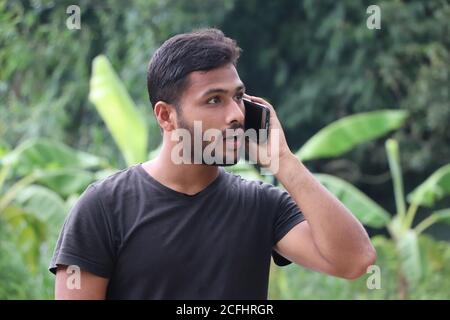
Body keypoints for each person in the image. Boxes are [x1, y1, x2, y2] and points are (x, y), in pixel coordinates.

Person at [50, 28, 376, 299]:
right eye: (214, 100)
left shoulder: (262, 205)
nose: (235, 114)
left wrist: (283, 162)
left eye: (238, 97)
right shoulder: (104, 207)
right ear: (166, 115)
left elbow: (354, 261)